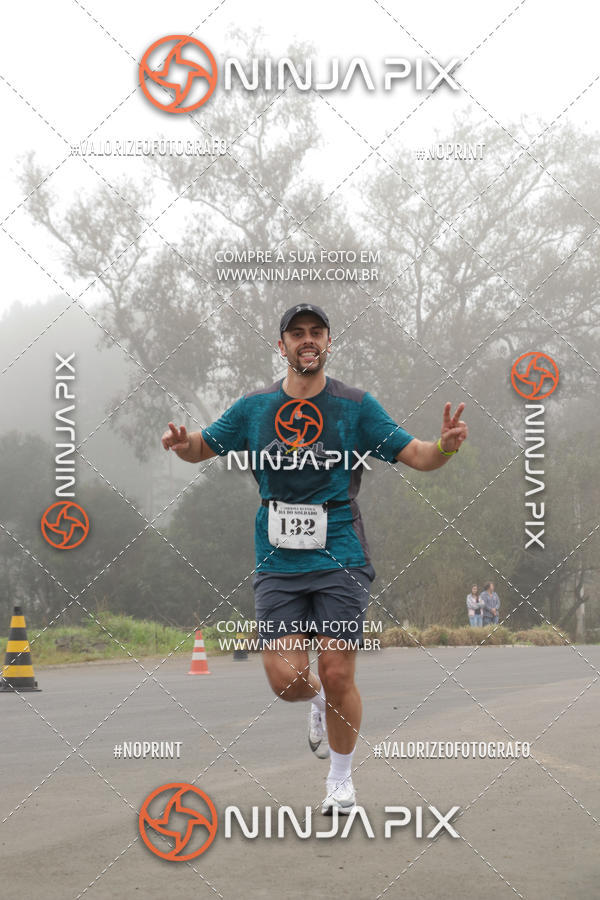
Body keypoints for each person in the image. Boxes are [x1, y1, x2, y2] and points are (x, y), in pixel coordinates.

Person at [161, 304, 468, 816]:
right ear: (281, 347)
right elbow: (204, 446)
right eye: (296, 333)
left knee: (337, 669)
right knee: (286, 682)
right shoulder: (254, 408)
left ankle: (340, 782)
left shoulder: (355, 406)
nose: (308, 340)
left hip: (341, 551)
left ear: (328, 343)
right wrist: (180, 444)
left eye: (316, 333)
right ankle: (317, 703)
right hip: (278, 558)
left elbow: (417, 455)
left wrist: (446, 446)